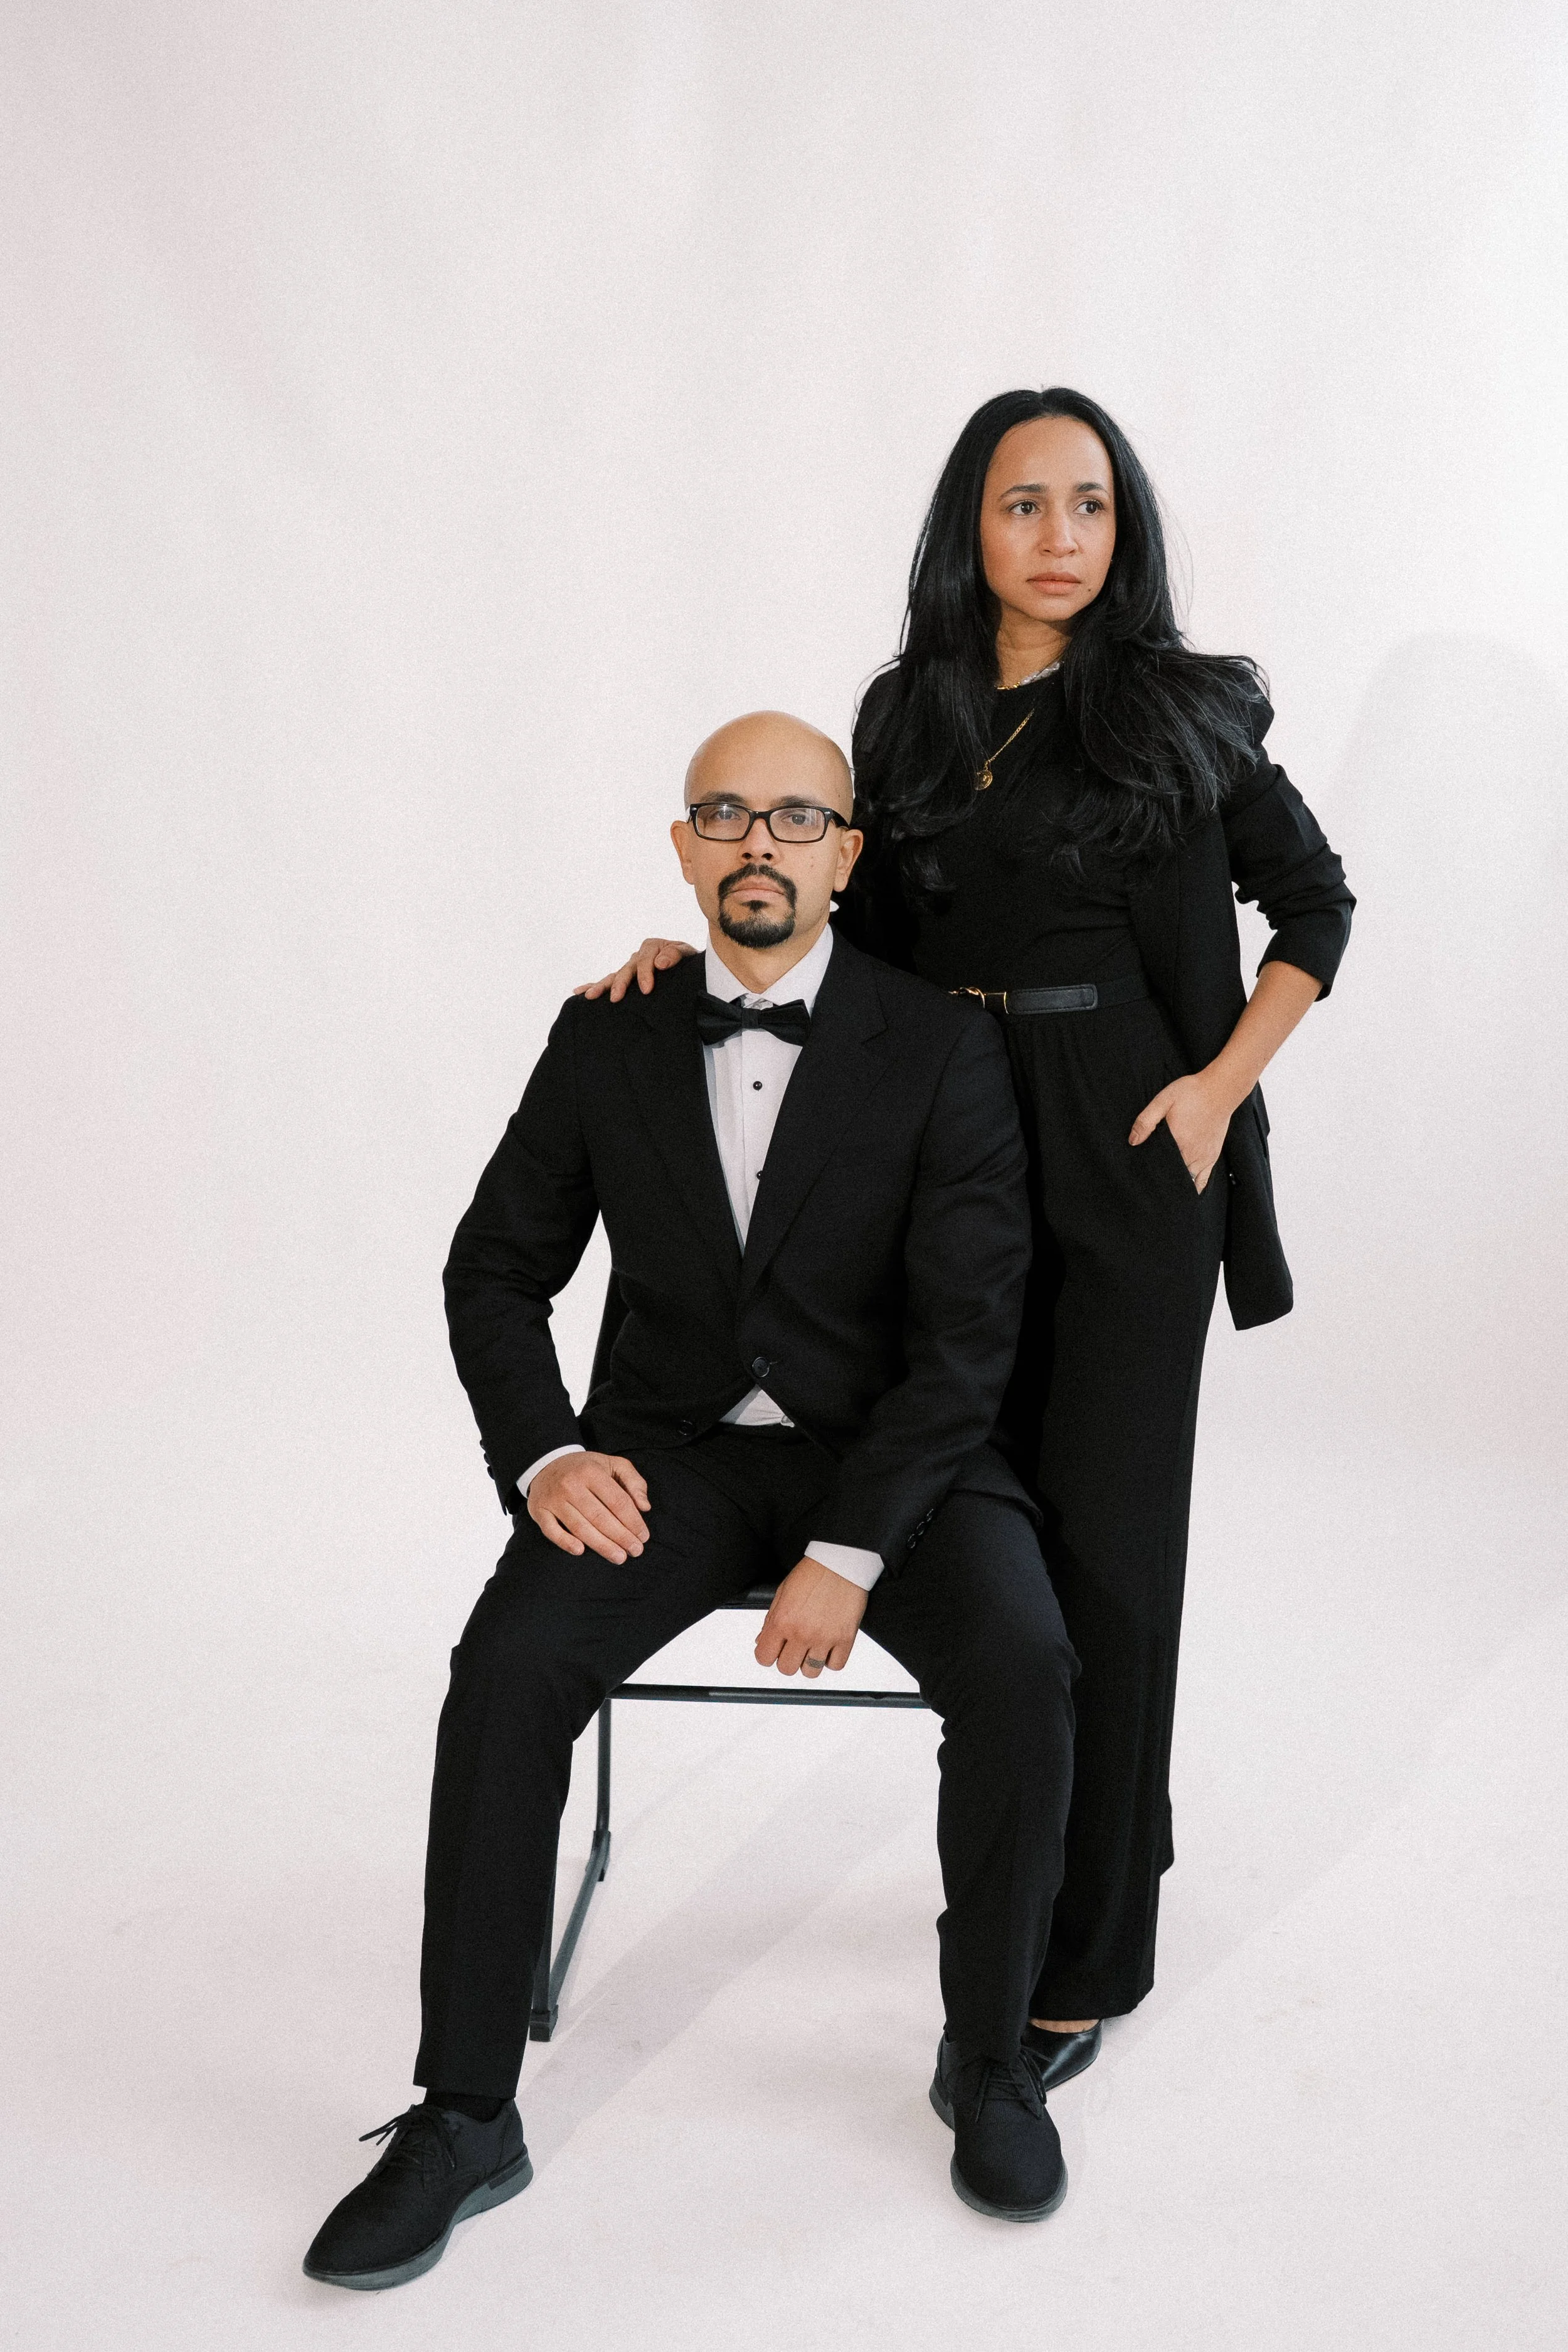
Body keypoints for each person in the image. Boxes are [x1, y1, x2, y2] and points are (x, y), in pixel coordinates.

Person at [581, 389, 1354, 2081]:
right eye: (1022, 504)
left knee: (1108, 1560)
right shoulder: (912, 712)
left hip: (1126, 1146)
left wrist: (1218, 1085)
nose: (1058, 536)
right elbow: (844, 910)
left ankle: (1086, 1949)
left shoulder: (1182, 707)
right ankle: (1035, 1865)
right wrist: (699, 946)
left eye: (1088, 504)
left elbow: (1313, 904)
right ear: (971, 527)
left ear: (1121, 529)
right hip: (940, 1138)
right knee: (982, 1526)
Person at [303, 711, 1080, 2291]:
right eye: (723, 814)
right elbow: (493, 1270)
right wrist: (545, 1457)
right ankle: (463, 2116)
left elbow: (968, 1342)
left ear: (845, 856)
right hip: (669, 1458)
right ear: (682, 848)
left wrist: (849, 1550)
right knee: (508, 1668)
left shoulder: (940, 1044)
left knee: (1022, 1664)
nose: (756, 843)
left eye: (795, 818)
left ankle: (989, 2057)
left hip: (898, 1454)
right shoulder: (609, 1032)